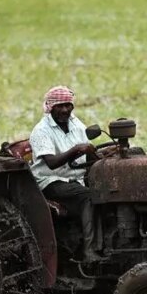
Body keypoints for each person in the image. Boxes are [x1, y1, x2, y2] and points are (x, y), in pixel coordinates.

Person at [29, 85, 104, 262]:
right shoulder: (41, 131)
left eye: (68, 106)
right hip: (50, 181)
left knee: (107, 189)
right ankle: (90, 250)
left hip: (75, 177)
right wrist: (76, 149)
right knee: (88, 197)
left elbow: (88, 150)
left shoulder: (76, 124)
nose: (65, 110)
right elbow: (52, 163)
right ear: (50, 107)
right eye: (60, 106)